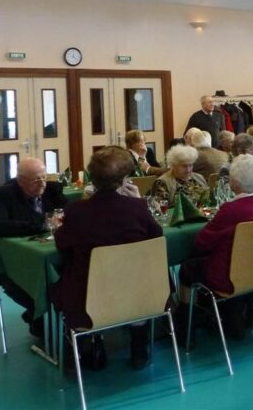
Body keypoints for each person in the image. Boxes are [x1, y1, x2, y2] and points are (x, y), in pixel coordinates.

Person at [51, 146, 163, 370]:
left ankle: (88, 345)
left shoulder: (76, 211)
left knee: (57, 283)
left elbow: (62, 245)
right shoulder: (137, 208)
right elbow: (157, 238)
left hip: (89, 295)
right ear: (124, 180)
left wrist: (57, 229)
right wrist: (139, 203)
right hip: (138, 292)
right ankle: (139, 347)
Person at [178, 154, 253, 341]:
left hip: (230, 276)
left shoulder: (230, 210)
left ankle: (186, 329)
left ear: (234, 183)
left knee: (187, 268)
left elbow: (202, 243)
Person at [0, 158, 67, 337]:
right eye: (35, 180)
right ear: (20, 181)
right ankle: (37, 315)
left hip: (47, 252)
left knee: (69, 270)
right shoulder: (4, 194)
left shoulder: (52, 190)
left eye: (44, 178)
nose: (42, 184)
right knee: (22, 281)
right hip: (11, 261)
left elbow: (67, 213)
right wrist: (42, 225)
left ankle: (48, 317)